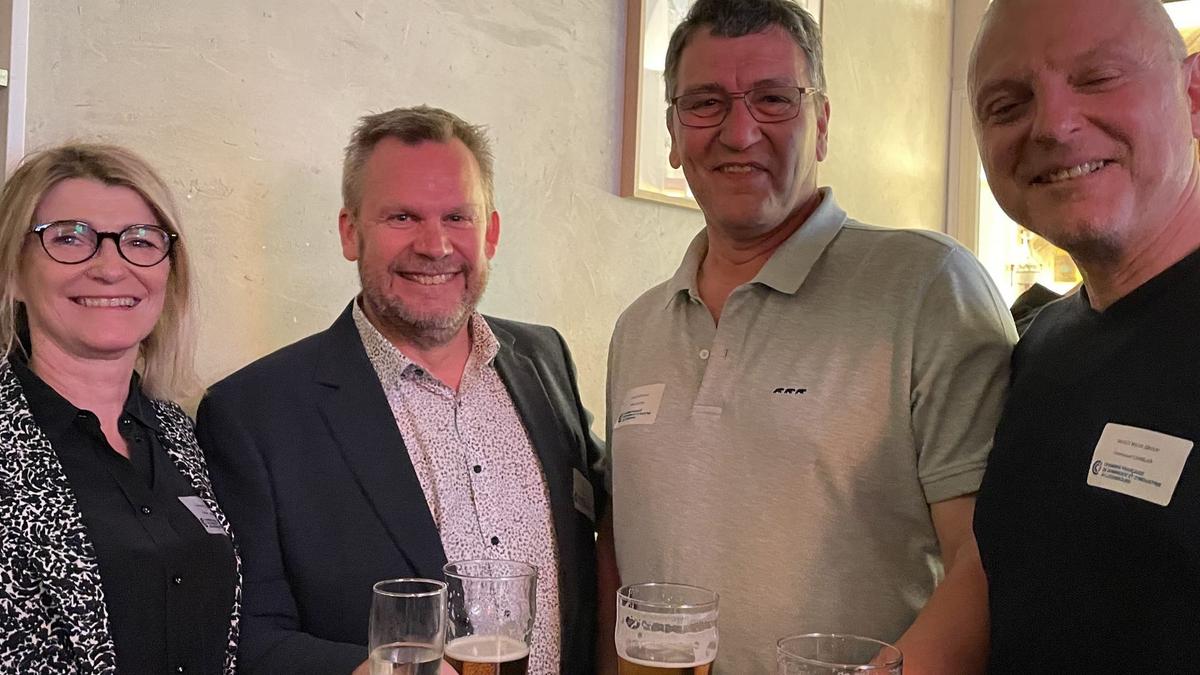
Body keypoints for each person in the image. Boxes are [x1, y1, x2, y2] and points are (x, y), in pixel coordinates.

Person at [601, 0, 1016, 671]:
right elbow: (620, 556)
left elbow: (989, 560)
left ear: (821, 125)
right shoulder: (637, 327)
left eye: (773, 99)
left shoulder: (928, 287)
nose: (740, 132)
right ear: (673, 134)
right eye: (705, 103)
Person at [196, 106, 604, 675]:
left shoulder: (545, 359)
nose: (435, 246)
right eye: (403, 217)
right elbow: (248, 639)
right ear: (350, 232)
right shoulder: (253, 413)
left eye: (457, 217)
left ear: (490, 233)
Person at [969, 0, 1200, 670]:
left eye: (1098, 78)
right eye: (1007, 105)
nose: (1052, 125)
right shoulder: (1036, 345)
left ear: (1193, 94)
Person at [0, 144, 240, 674]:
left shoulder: (178, 431)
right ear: (13, 271)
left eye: (140, 241)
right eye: (69, 238)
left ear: (169, 274)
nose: (110, 267)